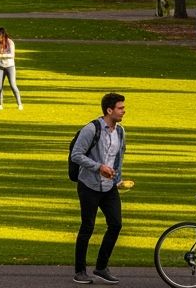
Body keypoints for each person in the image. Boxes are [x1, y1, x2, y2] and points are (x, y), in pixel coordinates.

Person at [71, 92, 126, 285]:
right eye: (120, 108)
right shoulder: (91, 129)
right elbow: (76, 155)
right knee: (88, 226)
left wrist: (117, 178)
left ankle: (101, 267)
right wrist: (98, 167)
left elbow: (118, 157)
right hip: (89, 185)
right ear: (109, 110)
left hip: (109, 186)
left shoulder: (120, 131)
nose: (124, 111)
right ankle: (80, 271)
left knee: (116, 224)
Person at [0, 27, 23, 110]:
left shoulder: (10, 42)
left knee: (13, 85)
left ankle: (19, 104)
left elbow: (12, 55)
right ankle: (0, 104)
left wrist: (1, 55)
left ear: (1, 34)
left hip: (10, 66)